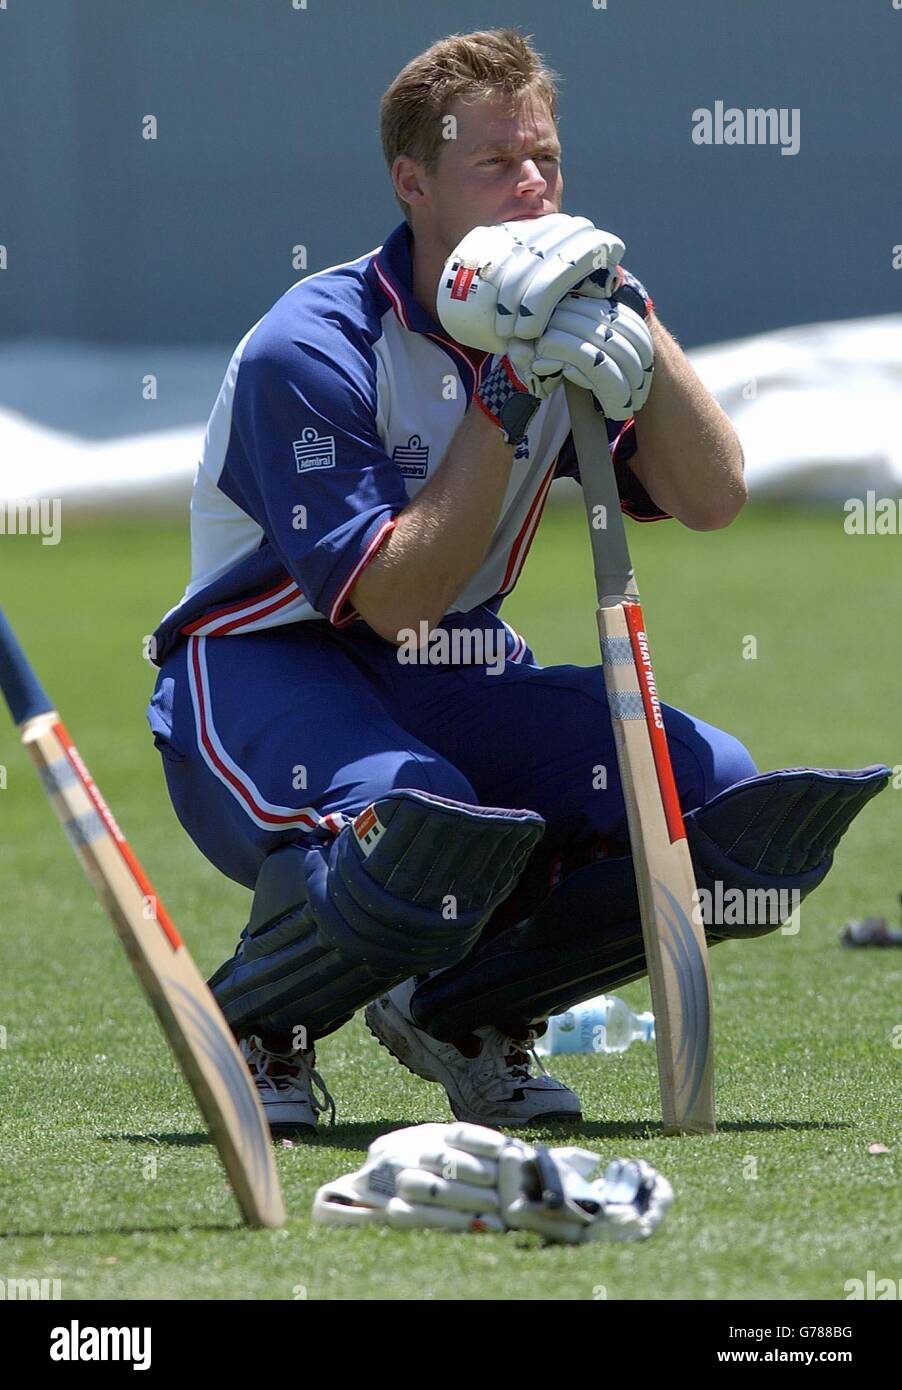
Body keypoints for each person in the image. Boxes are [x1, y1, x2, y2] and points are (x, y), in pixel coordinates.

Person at [146, 28, 886, 1135]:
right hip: (266, 669)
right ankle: (260, 1025)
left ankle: (463, 1008)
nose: (531, 185)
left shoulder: (566, 312)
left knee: (723, 812)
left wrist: (626, 306)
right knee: (424, 822)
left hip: (453, 662)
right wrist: (502, 393)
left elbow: (712, 494)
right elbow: (392, 596)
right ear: (414, 182)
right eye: (495, 163)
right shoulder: (313, 343)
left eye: (544, 158)